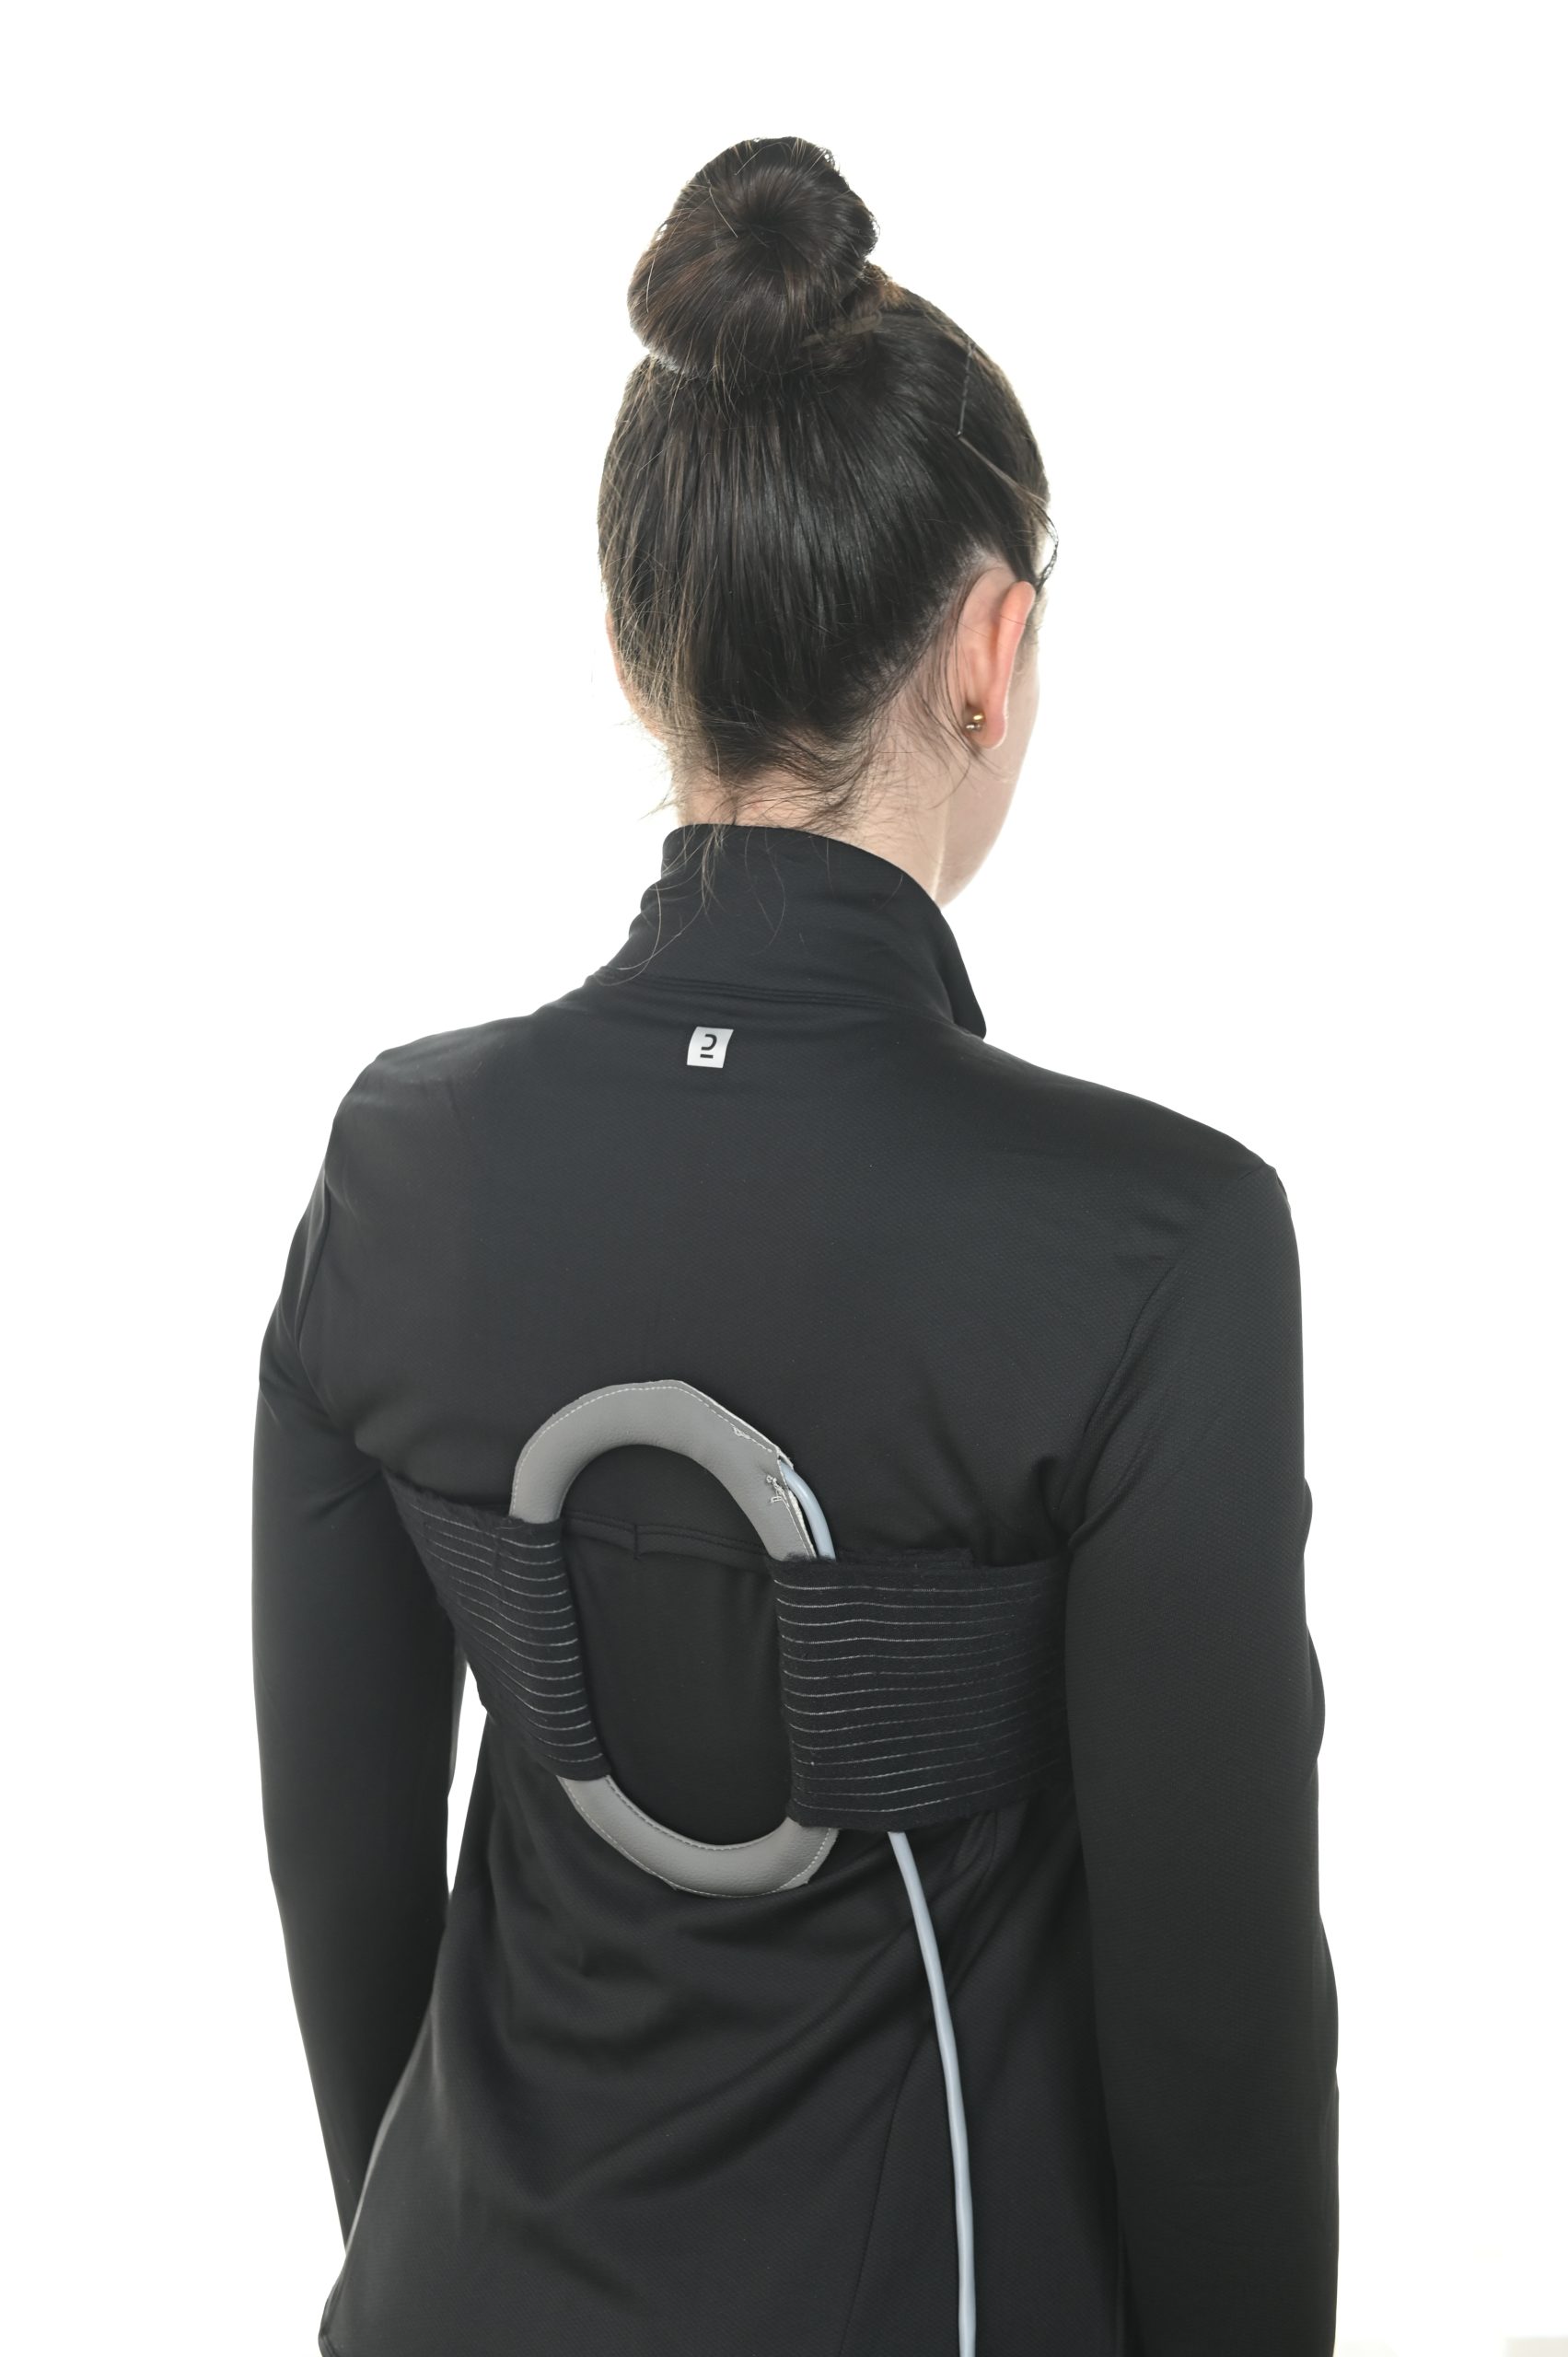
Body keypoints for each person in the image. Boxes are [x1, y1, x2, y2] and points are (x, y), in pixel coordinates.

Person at [252, 134, 1339, 2357]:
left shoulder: (397, 1163)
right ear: (993, 648)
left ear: (638, 645)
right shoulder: (1159, 1246)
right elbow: (1215, 2024)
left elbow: (342, 1861)